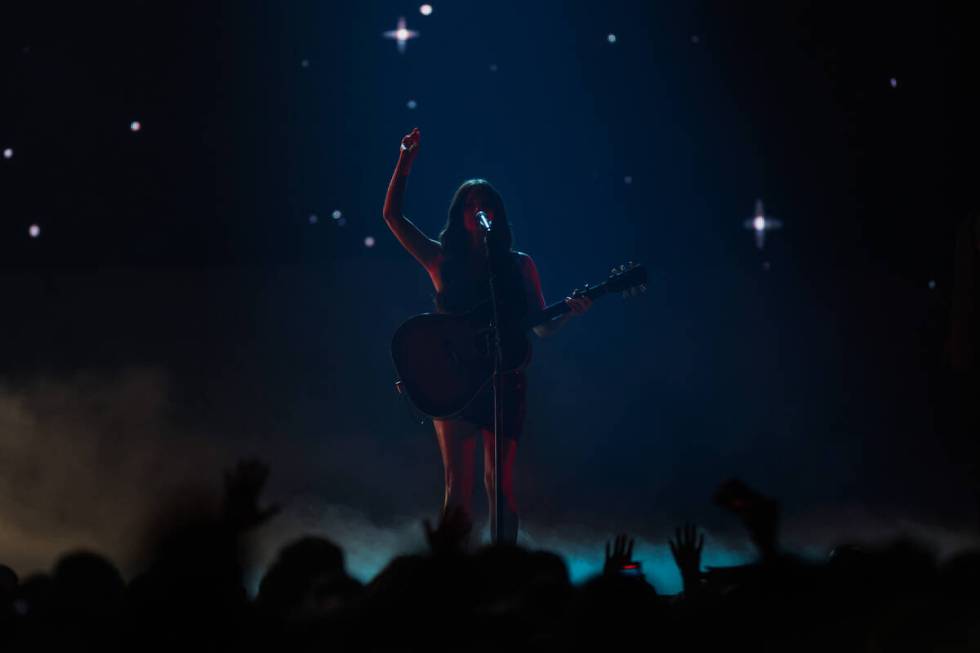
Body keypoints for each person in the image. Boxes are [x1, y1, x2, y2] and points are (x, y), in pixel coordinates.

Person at [382, 126, 592, 544]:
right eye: (471, 205)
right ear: (460, 216)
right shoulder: (441, 260)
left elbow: (541, 326)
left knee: (499, 483)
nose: (480, 211)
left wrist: (571, 311)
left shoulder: (518, 266)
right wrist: (405, 160)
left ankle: (503, 574)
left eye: (487, 205)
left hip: (503, 381)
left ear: (498, 213)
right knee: (457, 485)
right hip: (455, 383)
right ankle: (452, 574)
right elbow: (393, 218)